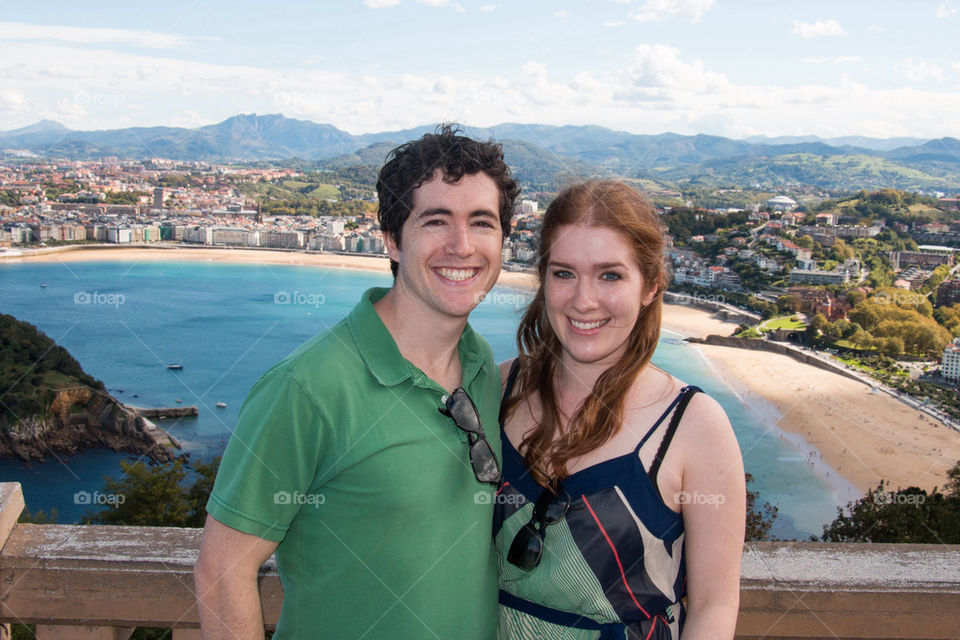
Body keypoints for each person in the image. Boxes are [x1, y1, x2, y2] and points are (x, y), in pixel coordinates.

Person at [194, 124, 520, 640]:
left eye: (482, 223)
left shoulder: (479, 363)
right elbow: (221, 571)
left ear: (503, 239)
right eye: (435, 221)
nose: (462, 245)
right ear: (392, 239)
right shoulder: (307, 388)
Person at [495, 181, 745, 639]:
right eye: (564, 273)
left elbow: (714, 605)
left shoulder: (693, 427)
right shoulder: (497, 390)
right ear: (543, 278)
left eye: (610, 275)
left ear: (650, 286)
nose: (583, 300)